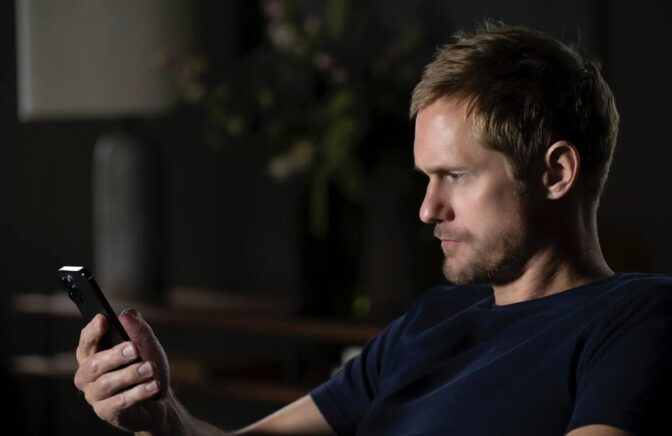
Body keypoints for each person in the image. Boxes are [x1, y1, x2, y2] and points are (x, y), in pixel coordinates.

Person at [74, 21, 672, 435]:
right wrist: (164, 418)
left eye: (455, 176)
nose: (428, 209)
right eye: (426, 178)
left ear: (556, 173)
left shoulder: (639, 319)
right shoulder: (429, 321)